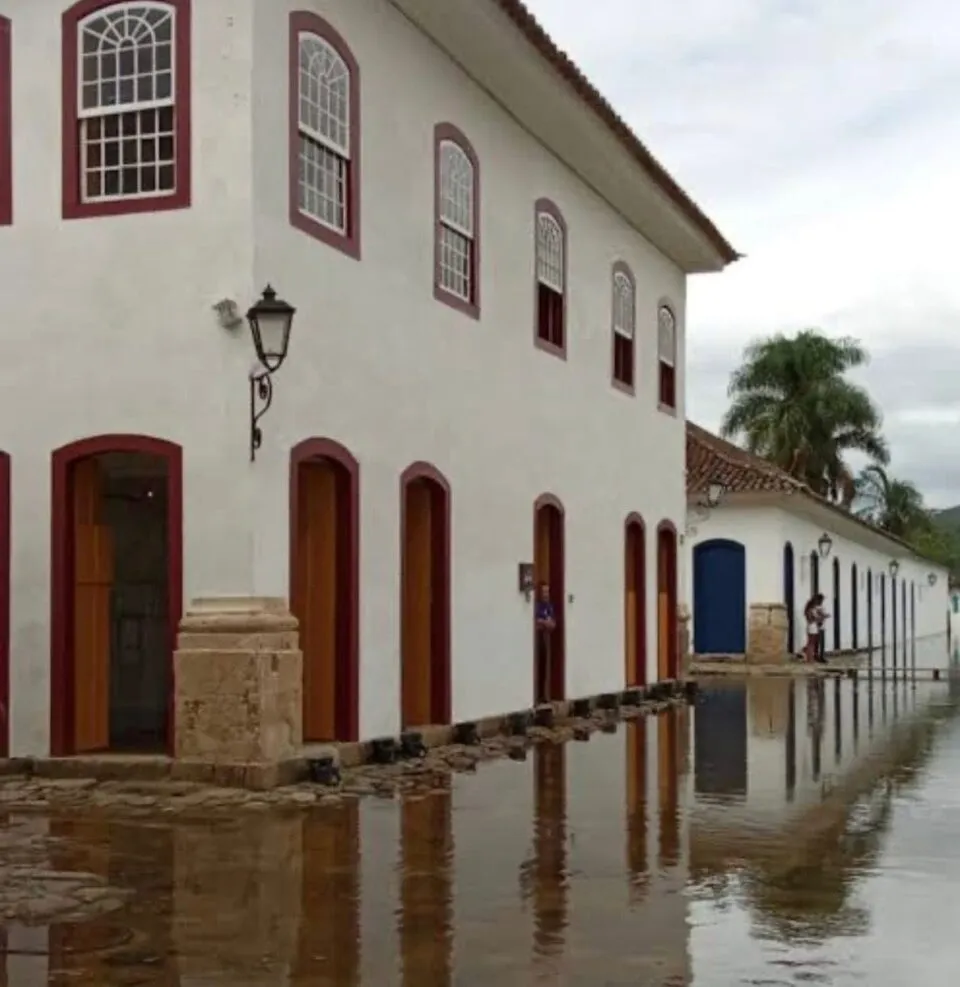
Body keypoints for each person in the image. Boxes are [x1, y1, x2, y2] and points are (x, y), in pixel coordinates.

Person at [534, 582, 556, 702]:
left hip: (546, 638)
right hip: (538, 638)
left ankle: (544, 695)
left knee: (545, 667)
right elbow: (536, 622)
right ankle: (537, 695)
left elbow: (553, 624)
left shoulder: (549, 607)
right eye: (543, 592)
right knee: (537, 666)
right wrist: (544, 622)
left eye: (547, 592)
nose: (545, 594)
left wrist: (545, 622)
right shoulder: (537, 606)